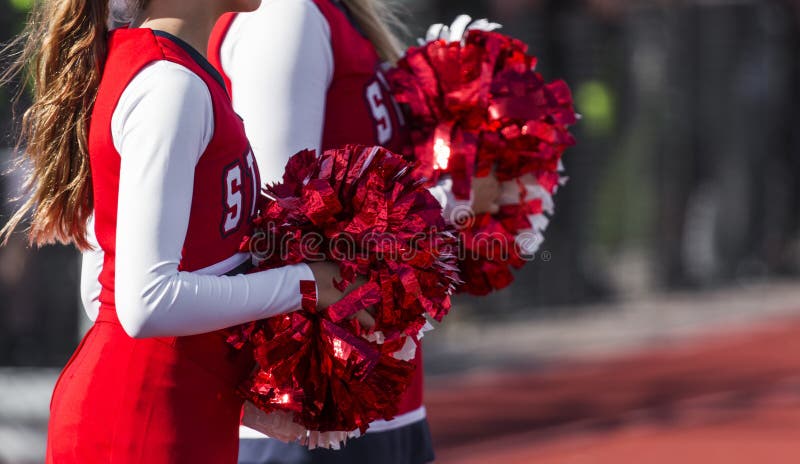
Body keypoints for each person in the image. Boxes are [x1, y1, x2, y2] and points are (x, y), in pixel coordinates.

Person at [2, 0, 371, 462]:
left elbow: (101, 284)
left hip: (175, 407)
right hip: (140, 422)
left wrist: (244, 401)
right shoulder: (167, 85)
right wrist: (305, 285)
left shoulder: (174, 72)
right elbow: (142, 303)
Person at [208, 3, 501, 463]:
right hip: (310, 411)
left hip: (378, 396)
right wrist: (456, 200)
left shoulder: (334, 16)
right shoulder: (286, 16)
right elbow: (276, 227)